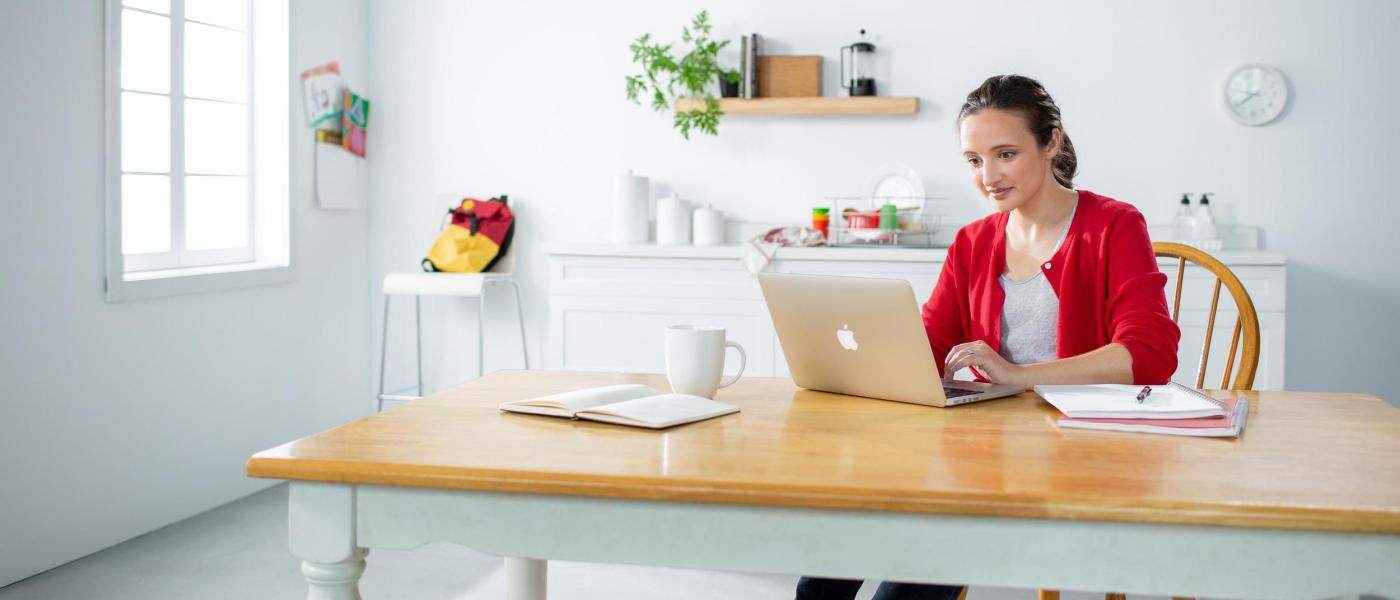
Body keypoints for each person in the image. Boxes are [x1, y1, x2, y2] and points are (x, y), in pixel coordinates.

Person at [793, 74, 1179, 600]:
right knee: (830, 560)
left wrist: (1018, 375)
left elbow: (1149, 355)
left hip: (1079, 454)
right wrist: (865, 364)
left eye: (1005, 154)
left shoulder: (1113, 225)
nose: (988, 177)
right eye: (974, 160)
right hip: (983, 450)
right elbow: (929, 345)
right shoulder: (972, 242)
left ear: (1051, 143)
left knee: (909, 575)